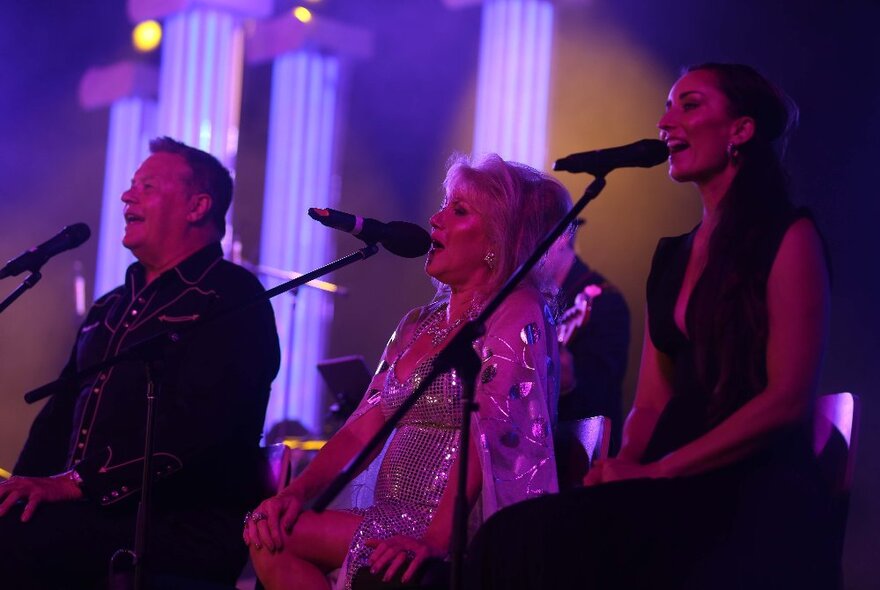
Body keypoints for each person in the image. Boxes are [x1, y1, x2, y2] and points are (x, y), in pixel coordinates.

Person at [465, 63, 836, 589]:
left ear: (741, 129)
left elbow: (787, 399)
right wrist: (619, 467)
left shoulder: (789, 235)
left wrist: (661, 471)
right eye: (666, 106)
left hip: (751, 484)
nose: (665, 121)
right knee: (506, 538)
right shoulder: (672, 256)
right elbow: (652, 402)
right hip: (669, 481)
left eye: (689, 105)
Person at [244, 153, 570, 590]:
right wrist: (294, 494)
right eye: (443, 206)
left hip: (451, 524)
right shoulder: (418, 322)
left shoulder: (516, 310)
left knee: (281, 539)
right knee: (268, 531)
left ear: (498, 238)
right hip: (391, 515)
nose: (435, 220)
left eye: (459, 211)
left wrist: (437, 538)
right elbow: (362, 428)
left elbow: (491, 433)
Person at [0, 137, 281, 588]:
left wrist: (76, 484)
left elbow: (199, 425)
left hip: (176, 526)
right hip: (85, 514)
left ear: (197, 207)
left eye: (147, 186)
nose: (127, 196)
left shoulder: (231, 297)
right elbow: (55, 420)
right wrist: (22, 488)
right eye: (131, 186)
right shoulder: (107, 307)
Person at [547, 218, 630, 478]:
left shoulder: (605, 302)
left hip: (575, 470)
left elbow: (601, 399)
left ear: (561, 237)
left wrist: (569, 382)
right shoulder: (531, 299)